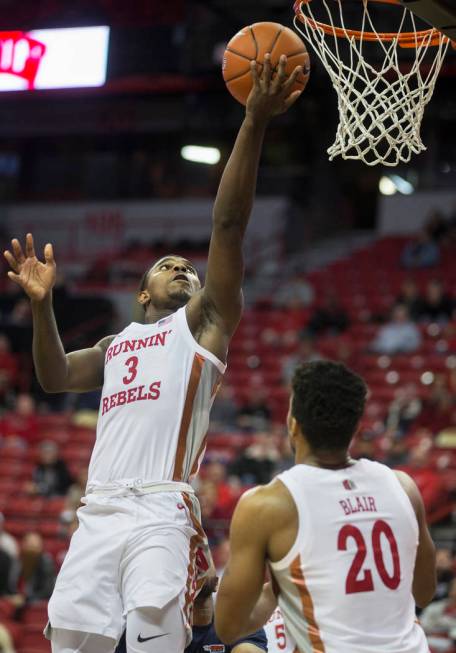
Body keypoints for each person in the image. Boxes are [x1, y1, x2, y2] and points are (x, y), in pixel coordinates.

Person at [4, 54, 304, 653]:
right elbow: (55, 375)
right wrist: (42, 306)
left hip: (161, 508)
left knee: (152, 645)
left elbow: (227, 225)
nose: (184, 269)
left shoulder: (204, 325)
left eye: (188, 268)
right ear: (142, 292)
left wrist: (254, 121)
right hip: (98, 509)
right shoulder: (116, 345)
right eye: (169, 267)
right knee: (70, 645)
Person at [215, 360, 436, 653]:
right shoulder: (403, 487)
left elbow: (229, 627)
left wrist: (279, 587)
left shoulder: (268, 505)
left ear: (293, 424)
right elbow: (425, 592)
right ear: (357, 426)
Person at [115, 551, 267, 653]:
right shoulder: (143, 624)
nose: (199, 566)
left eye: (202, 555)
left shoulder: (237, 616)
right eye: (189, 561)